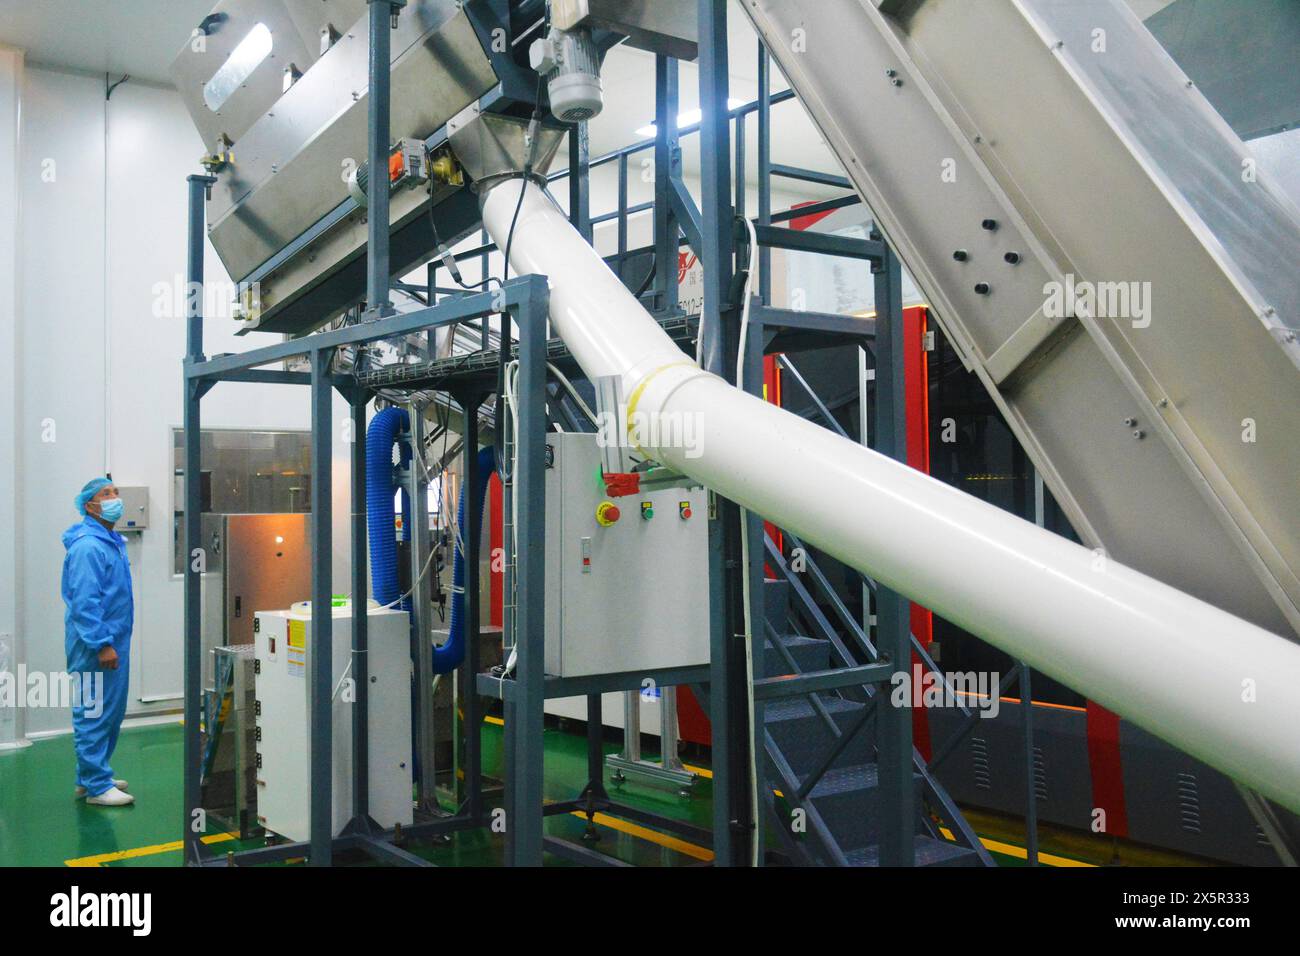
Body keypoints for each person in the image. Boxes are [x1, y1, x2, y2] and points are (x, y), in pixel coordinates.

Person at [62, 477, 135, 807]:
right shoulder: (88, 547)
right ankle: (95, 785)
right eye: (106, 494)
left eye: (116, 492)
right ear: (89, 505)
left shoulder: (110, 541)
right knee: (94, 711)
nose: (114, 498)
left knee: (110, 710)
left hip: (112, 639)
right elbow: (85, 601)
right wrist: (101, 643)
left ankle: (92, 774)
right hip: (95, 644)